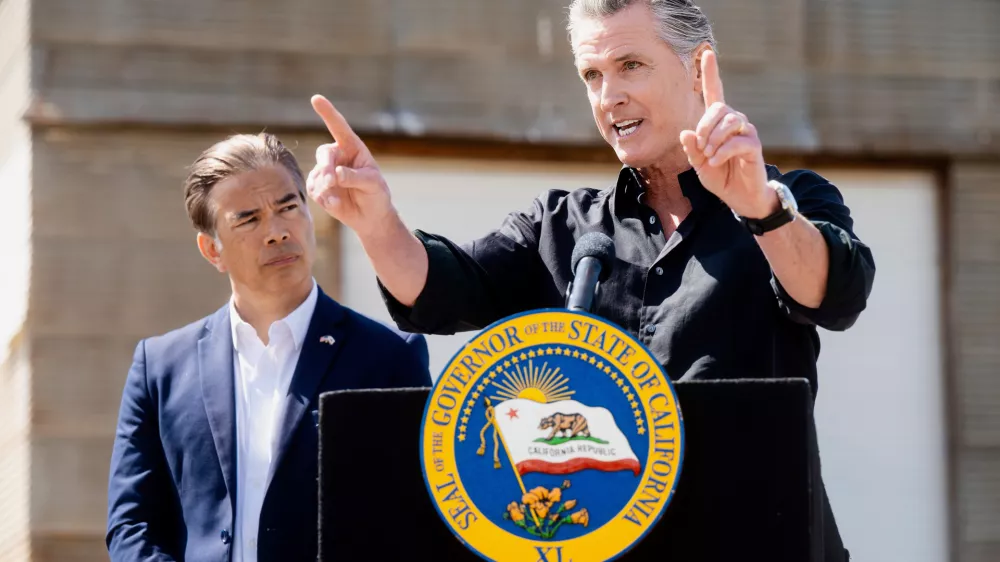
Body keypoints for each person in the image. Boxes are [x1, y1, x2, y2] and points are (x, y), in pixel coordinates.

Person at [304, 1, 872, 559]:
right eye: (592, 75)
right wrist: (377, 223)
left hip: (758, 537)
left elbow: (831, 292)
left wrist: (759, 208)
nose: (609, 96)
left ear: (698, 69)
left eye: (631, 66)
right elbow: (439, 289)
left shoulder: (790, 198)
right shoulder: (561, 226)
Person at [105, 133, 431, 562]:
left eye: (289, 207)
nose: (277, 231)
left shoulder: (389, 357)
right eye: (248, 219)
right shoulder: (160, 367)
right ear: (211, 249)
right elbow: (132, 525)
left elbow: (415, 521)